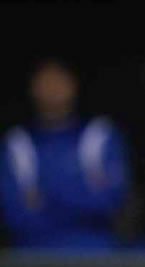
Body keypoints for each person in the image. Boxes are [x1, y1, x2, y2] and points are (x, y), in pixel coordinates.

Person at [0, 58, 132, 251]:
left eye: (59, 81)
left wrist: (43, 196)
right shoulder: (17, 143)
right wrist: (82, 190)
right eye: (45, 82)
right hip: (32, 253)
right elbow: (14, 215)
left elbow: (111, 202)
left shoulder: (99, 135)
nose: (52, 89)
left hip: (94, 251)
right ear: (32, 88)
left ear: (73, 85)